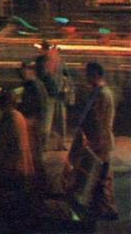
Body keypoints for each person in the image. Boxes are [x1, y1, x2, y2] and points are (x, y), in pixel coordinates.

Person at [67, 62, 118, 220]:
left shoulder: (102, 94)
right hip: (98, 142)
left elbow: (99, 122)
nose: (86, 78)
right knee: (99, 178)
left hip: (100, 143)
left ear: (95, 74)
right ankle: (102, 208)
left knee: (100, 178)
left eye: (88, 74)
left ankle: (107, 210)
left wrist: (92, 143)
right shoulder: (98, 92)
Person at [0, 89, 35, 226]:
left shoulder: (9, 118)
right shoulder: (19, 116)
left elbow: (2, 144)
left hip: (12, 167)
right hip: (21, 166)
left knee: (8, 202)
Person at [18, 61, 50, 183]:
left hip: (33, 122)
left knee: (33, 153)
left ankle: (37, 181)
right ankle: (40, 181)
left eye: (24, 70)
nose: (22, 73)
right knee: (36, 153)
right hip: (38, 121)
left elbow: (32, 105)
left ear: (31, 71)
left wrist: (27, 117)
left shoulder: (31, 85)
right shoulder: (38, 84)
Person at [36, 40, 70, 149]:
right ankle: (58, 143)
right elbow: (66, 75)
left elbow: (43, 76)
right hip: (54, 93)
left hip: (51, 93)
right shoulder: (57, 60)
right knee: (58, 120)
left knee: (48, 120)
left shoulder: (43, 61)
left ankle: (46, 144)